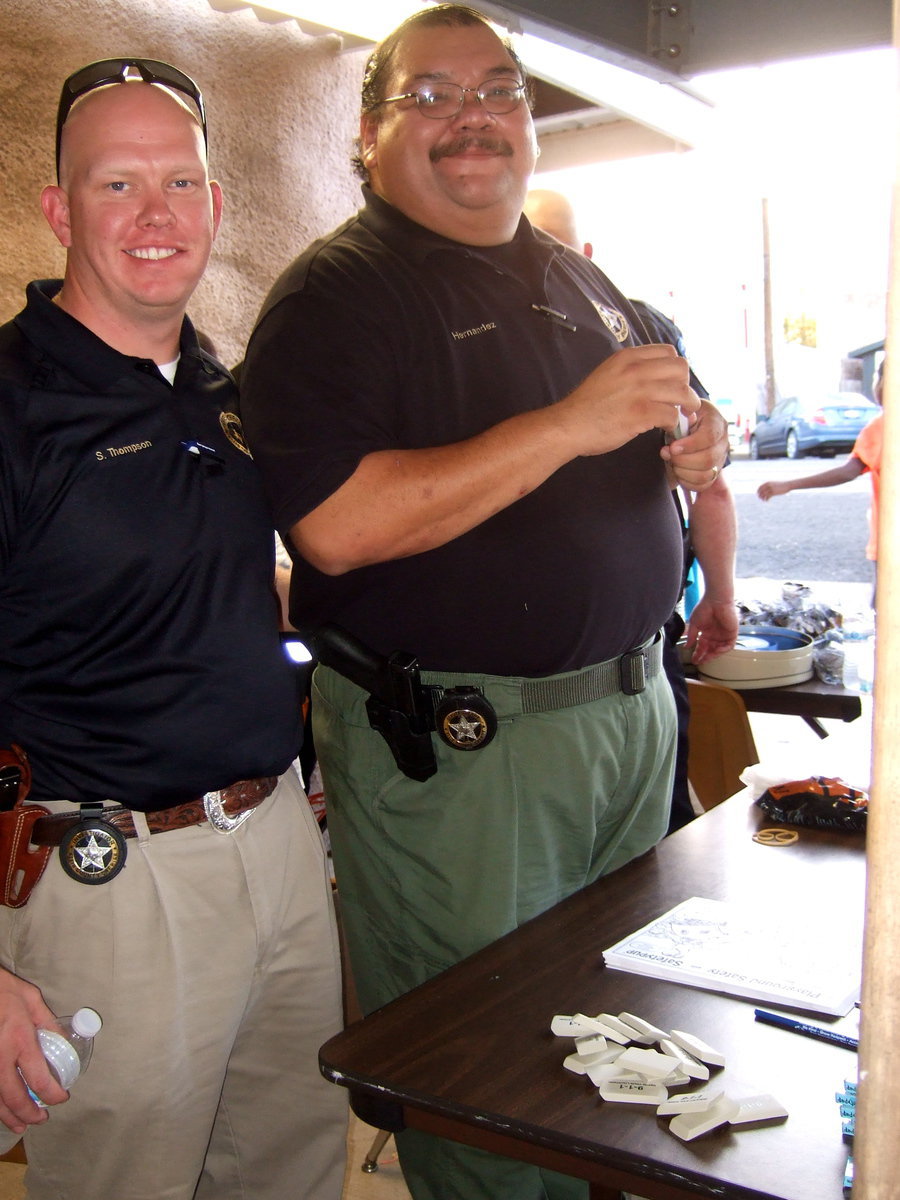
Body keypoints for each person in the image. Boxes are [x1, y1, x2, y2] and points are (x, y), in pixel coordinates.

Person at [240, 8, 727, 1198]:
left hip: (628, 721)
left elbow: (679, 414)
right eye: (431, 94)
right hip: (468, 756)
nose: (473, 117)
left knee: (622, 1049)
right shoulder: (338, 296)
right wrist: (565, 428)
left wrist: (703, 441)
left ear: (530, 121)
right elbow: (336, 525)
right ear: (370, 134)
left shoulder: (578, 278)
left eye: (499, 90)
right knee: (487, 1076)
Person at [0, 61, 346, 1200]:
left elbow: (223, 587)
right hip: (105, 883)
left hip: (276, 847)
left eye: (180, 183)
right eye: (117, 184)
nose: (156, 213)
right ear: (59, 210)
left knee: (294, 1171)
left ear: (215, 204)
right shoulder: (13, 404)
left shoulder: (220, 391)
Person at [523, 187, 739, 831]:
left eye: (555, 251)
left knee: (660, 841)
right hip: (524, 681)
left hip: (644, 653)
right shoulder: (479, 336)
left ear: (588, 256)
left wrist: (721, 592)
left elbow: (708, 474)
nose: (538, 267)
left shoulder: (638, 328)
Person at [757, 360, 884, 607]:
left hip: (890, 541)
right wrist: (789, 485)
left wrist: (789, 485)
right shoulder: (879, 428)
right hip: (887, 540)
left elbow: (849, 472)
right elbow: (849, 471)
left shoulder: (883, 427)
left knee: (885, 609)